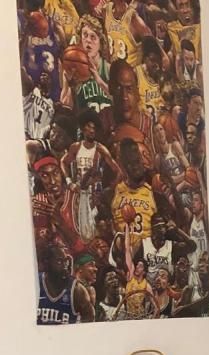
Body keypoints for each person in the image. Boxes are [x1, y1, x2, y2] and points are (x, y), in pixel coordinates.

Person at [61, 109, 122, 240]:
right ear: (83, 128)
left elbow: (118, 171)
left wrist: (109, 189)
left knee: (96, 234)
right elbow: (63, 162)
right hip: (78, 194)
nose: (92, 130)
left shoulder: (100, 149)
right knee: (78, 232)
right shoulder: (76, 147)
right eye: (89, 127)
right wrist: (69, 182)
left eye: (94, 128)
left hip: (95, 197)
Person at [111, 137, 158, 248]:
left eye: (137, 161)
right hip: (123, 251)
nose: (135, 167)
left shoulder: (154, 191)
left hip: (147, 252)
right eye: (130, 164)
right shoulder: (114, 192)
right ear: (124, 167)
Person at [63, 13, 111, 114]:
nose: (88, 40)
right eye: (85, 35)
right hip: (84, 123)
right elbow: (65, 107)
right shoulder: (72, 68)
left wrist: (99, 81)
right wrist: (70, 85)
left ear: (101, 42)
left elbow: (120, 102)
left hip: (107, 123)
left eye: (93, 37)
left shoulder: (109, 69)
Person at [104, 58, 153, 155]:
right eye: (118, 88)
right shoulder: (103, 121)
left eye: (129, 89)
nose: (124, 97)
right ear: (110, 88)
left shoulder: (148, 126)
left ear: (137, 91)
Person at [138, 212, 195, 283]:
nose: (162, 229)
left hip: (166, 286)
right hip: (148, 286)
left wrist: (177, 229)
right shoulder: (144, 243)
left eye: (163, 226)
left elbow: (192, 246)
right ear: (153, 228)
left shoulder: (171, 246)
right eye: (159, 226)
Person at [37, 241, 75, 324]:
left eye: (66, 261)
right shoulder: (36, 282)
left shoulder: (77, 289)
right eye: (59, 261)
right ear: (47, 262)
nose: (64, 266)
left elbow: (89, 316)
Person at [102, 0, 150, 66]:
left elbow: (152, 44)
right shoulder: (106, 11)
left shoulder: (133, 18)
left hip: (132, 69)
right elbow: (107, 42)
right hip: (115, 69)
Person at [135, 37, 167, 123]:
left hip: (161, 120)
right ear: (145, 59)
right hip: (144, 121)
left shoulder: (161, 75)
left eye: (158, 60)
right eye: (152, 60)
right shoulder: (136, 74)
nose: (156, 64)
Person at [23, 71, 55, 139]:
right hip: (24, 132)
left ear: (51, 81)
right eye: (41, 75)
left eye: (45, 75)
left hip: (37, 139)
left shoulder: (52, 104)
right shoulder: (33, 90)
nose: (42, 77)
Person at [71, 250, 98, 322]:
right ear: (80, 268)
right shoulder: (73, 289)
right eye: (91, 265)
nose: (96, 269)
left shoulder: (90, 290)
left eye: (95, 266)